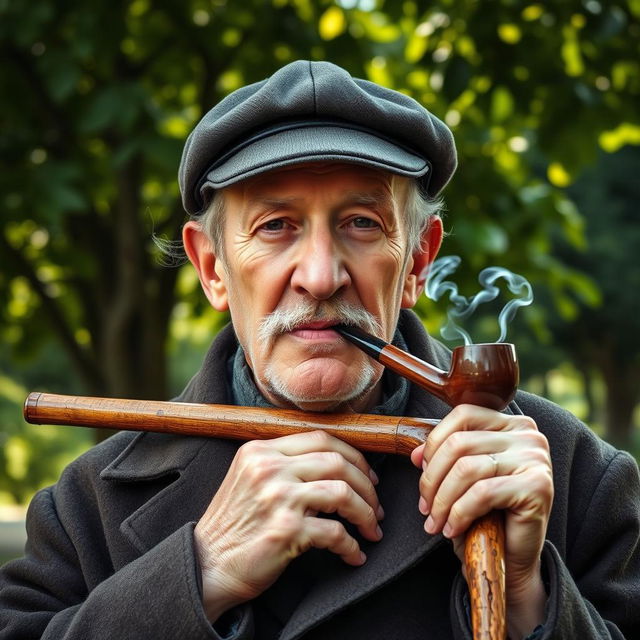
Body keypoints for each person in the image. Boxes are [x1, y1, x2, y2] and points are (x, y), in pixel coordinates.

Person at [1, 60, 638, 640]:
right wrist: (201, 571)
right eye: (276, 226)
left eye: (362, 223)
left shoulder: (578, 478)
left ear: (418, 259)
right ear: (213, 267)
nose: (321, 275)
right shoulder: (86, 507)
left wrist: (531, 598)